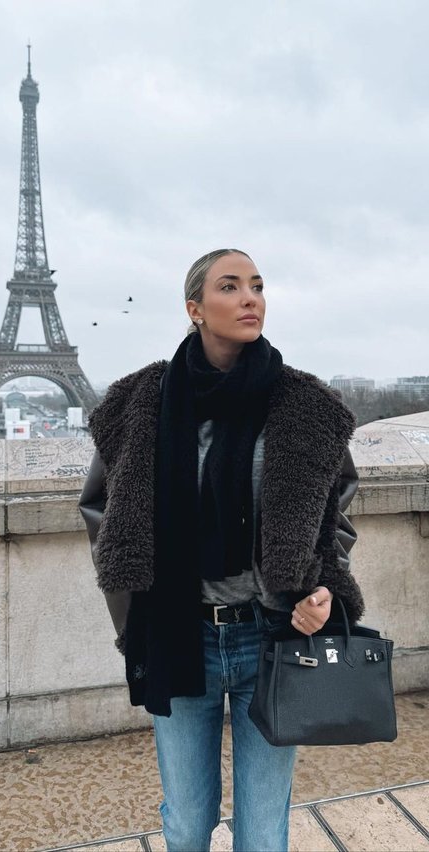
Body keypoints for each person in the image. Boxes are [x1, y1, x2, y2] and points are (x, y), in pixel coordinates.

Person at [79, 248, 364, 852]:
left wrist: (320, 587)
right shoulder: (140, 403)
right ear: (195, 309)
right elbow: (104, 513)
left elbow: (332, 512)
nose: (249, 298)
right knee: (186, 823)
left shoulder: (303, 406)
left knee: (264, 830)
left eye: (257, 286)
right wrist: (132, 614)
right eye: (230, 286)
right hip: (181, 635)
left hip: (272, 636)